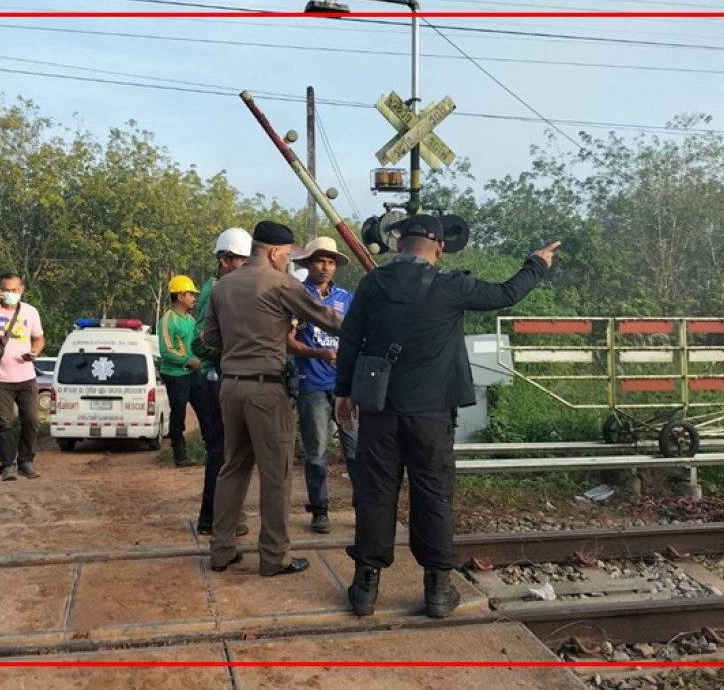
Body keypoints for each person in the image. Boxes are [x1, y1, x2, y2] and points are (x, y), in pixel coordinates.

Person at [334, 215, 559, 618]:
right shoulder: (452, 286)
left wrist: (343, 393)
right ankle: (438, 589)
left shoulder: (372, 284)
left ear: (398, 244)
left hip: (379, 412)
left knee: (374, 495)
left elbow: (350, 339)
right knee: (434, 494)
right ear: (438, 248)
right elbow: (507, 293)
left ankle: (365, 588)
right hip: (432, 416)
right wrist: (537, 263)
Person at [199, 220, 344, 577]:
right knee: (275, 474)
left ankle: (221, 551)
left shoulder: (222, 286)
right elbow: (327, 320)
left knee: (233, 467)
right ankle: (274, 556)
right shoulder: (283, 283)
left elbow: (210, 340)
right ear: (277, 251)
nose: (286, 262)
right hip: (267, 389)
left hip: (230, 388)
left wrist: (241, 344)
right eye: (287, 255)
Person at [287, 236, 357, 535]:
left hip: (343, 386)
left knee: (355, 450)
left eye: (330, 262)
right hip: (312, 384)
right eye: (320, 260)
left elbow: (356, 335)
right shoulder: (297, 296)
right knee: (317, 452)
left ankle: (365, 507)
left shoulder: (346, 298)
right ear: (308, 264)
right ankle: (319, 510)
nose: (326, 267)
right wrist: (319, 353)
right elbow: (287, 342)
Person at [193, 228, 252, 536]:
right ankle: (210, 517)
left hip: (225, 376)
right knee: (220, 449)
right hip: (214, 378)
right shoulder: (214, 289)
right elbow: (199, 341)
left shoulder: (230, 288)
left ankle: (223, 513)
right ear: (226, 259)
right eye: (243, 260)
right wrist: (232, 353)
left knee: (231, 450)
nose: (247, 266)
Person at [0, 273, 45, 481]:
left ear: (21, 290)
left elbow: (39, 339)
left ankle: (26, 461)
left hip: (26, 376)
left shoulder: (30, 312)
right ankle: (7, 465)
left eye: (14, 290)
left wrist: (35, 351)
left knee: (31, 420)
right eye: (6, 290)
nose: (10, 294)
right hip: (0, 378)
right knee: (5, 424)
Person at [158, 275, 206, 468]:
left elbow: (196, 342)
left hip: (193, 373)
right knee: (178, 415)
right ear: (180, 296)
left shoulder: (190, 319)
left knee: (205, 410)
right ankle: (180, 455)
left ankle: (211, 449)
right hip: (176, 375)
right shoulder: (168, 320)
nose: (194, 298)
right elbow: (166, 351)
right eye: (191, 294)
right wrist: (189, 361)